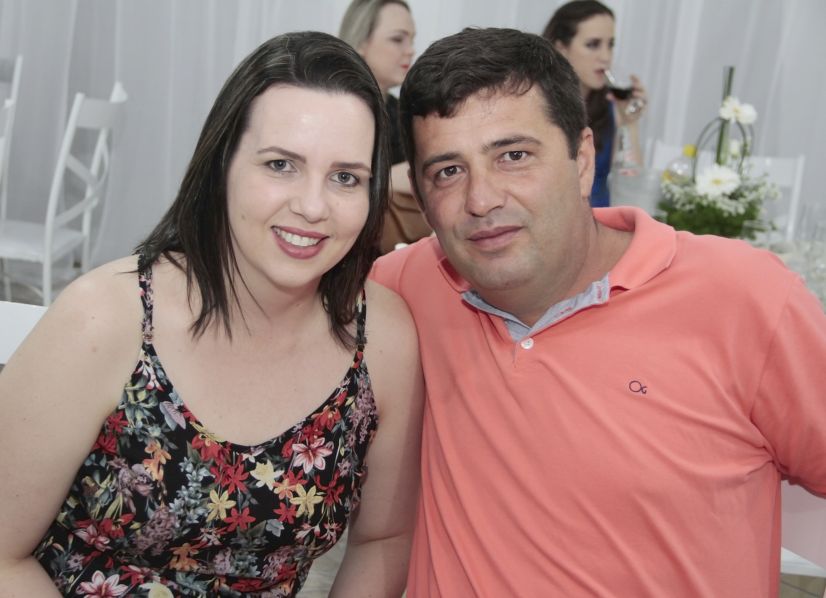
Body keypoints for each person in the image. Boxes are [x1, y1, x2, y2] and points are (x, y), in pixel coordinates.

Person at [371, 26, 826, 597]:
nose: (481, 199)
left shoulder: (744, 299)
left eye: (514, 156)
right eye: (448, 171)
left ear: (583, 159)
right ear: (420, 194)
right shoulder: (402, 292)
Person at [0, 31, 423, 597]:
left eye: (345, 177)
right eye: (281, 164)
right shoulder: (105, 320)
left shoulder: (384, 340)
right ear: (222, 163)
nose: (312, 206)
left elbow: (383, 540)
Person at [340, 0, 430, 253]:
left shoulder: (403, 111)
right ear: (361, 42)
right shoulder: (335, 111)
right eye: (397, 39)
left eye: (412, 40)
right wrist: (389, 179)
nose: (410, 50)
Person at [543, 0, 647, 207]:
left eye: (610, 45)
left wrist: (630, 123)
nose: (606, 57)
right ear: (562, 49)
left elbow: (631, 184)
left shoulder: (610, 105)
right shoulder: (539, 105)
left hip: (600, 219)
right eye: (593, 45)